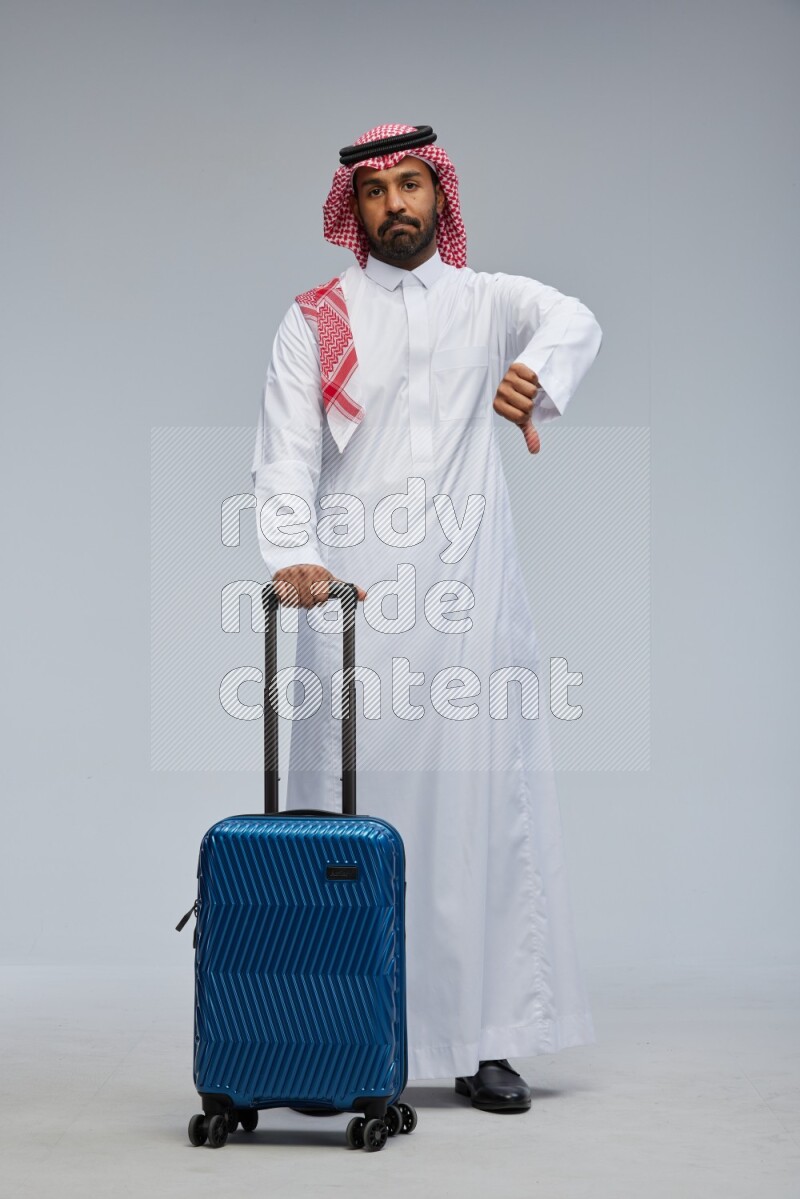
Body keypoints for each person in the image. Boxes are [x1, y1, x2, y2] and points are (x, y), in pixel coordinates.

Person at [251, 123, 603, 1113]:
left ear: (439, 198)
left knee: (477, 821)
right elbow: (282, 454)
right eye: (374, 191)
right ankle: (337, 1032)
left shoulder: (486, 302)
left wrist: (538, 376)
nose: (394, 205)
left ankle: (483, 1038)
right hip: (348, 605)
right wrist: (292, 554)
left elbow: (573, 318)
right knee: (338, 818)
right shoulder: (314, 318)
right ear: (351, 208)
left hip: (468, 603)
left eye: (412, 185)